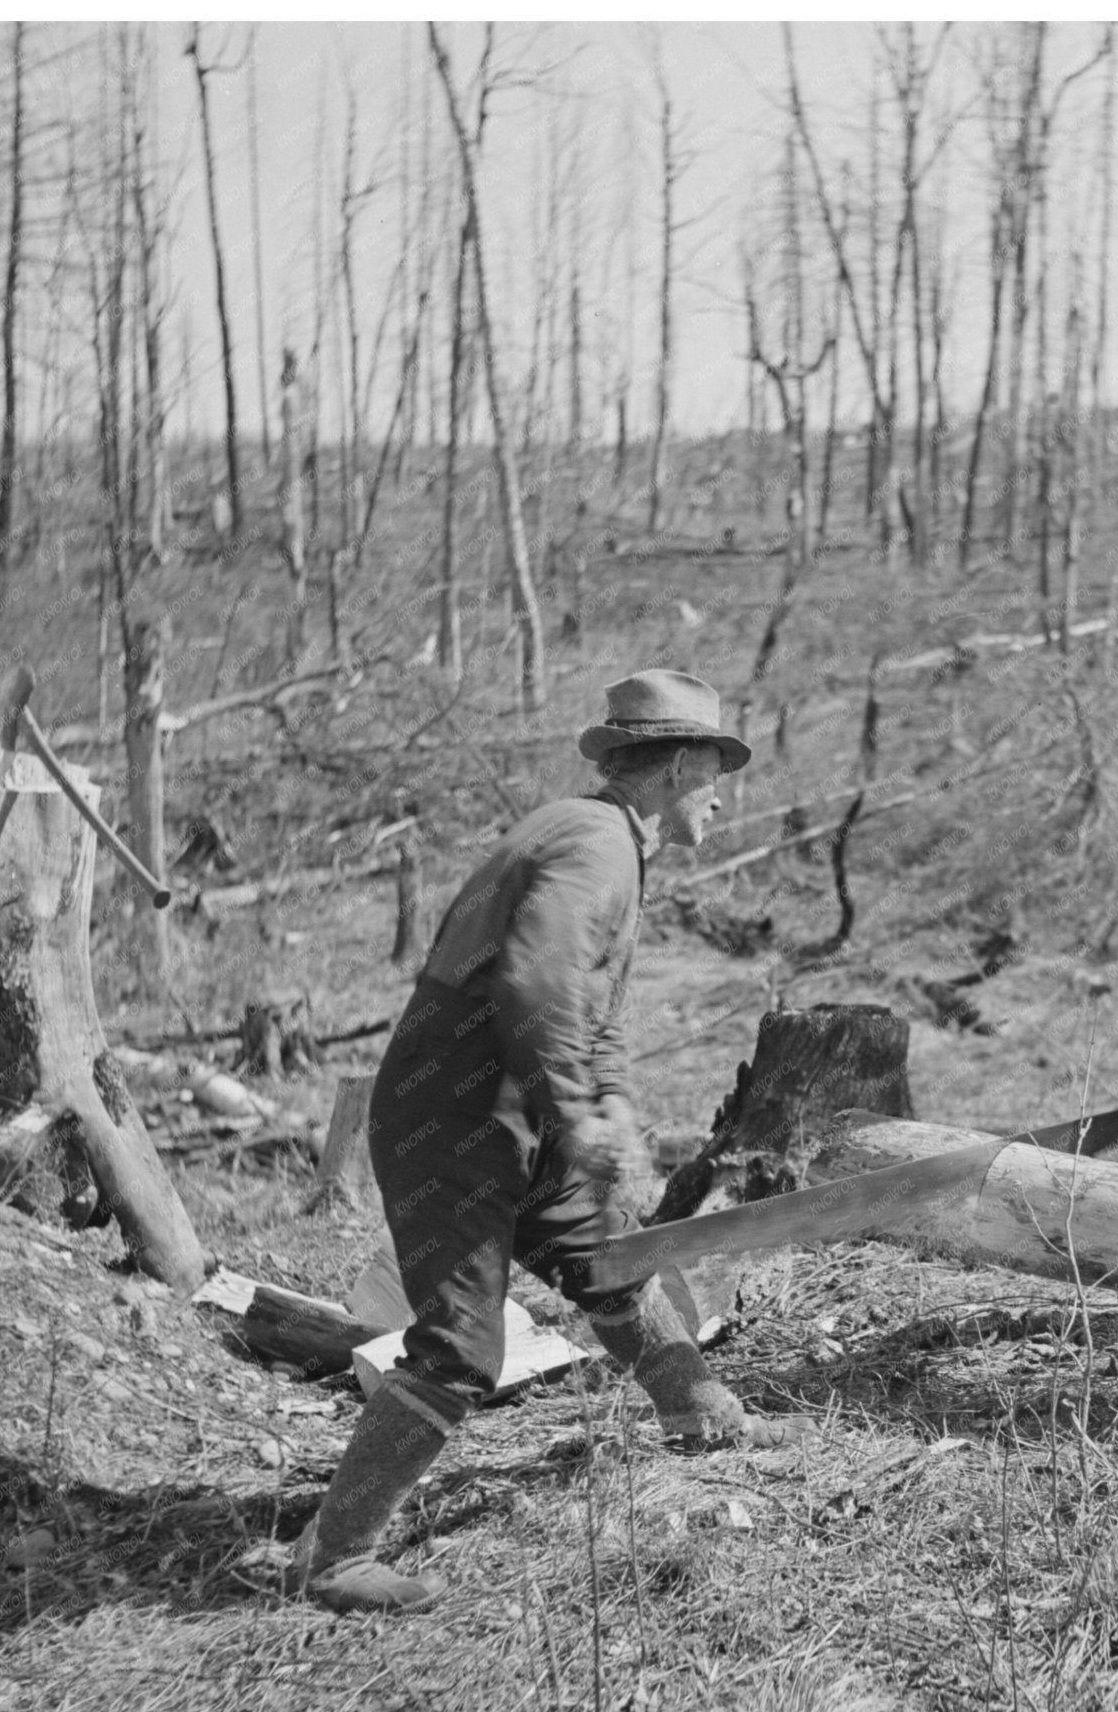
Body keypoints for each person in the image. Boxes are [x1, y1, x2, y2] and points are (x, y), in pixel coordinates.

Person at [293, 670, 812, 1615]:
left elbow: (587, 1006)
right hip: (458, 1121)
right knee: (460, 1352)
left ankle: (697, 1408)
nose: (721, 793)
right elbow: (535, 988)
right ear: (679, 763)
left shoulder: (604, 839)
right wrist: (581, 1109)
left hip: (513, 1114)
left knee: (607, 1259)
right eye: (714, 771)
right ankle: (333, 1558)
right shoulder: (597, 845)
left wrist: (605, 1116)